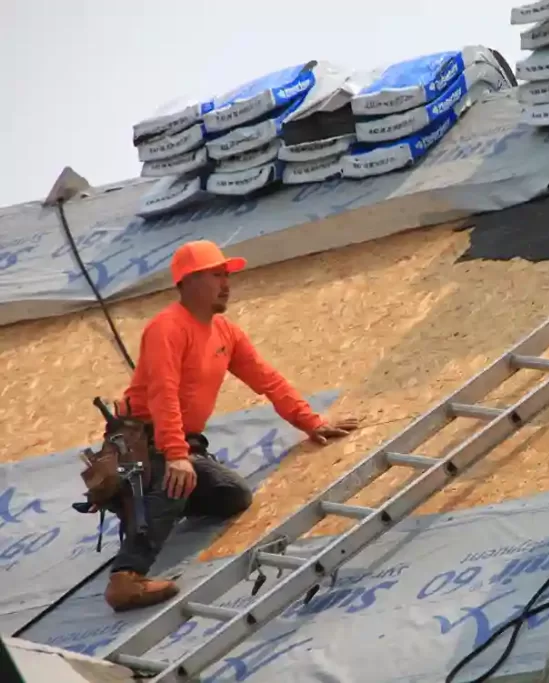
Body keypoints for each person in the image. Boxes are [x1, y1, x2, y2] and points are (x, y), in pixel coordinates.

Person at [101, 240, 360, 612]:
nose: (226, 284)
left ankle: (156, 499)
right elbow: (163, 394)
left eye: (227, 276)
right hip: (143, 442)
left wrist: (311, 421)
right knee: (179, 479)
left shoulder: (226, 333)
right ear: (188, 282)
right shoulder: (167, 328)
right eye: (216, 275)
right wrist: (176, 455)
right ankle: (125, 578)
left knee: (232, 495)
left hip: (180, 444)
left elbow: (266, 379)